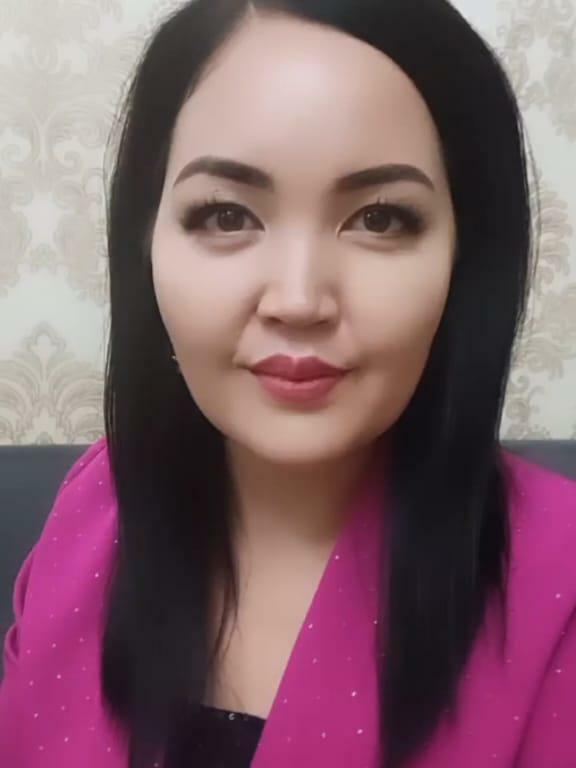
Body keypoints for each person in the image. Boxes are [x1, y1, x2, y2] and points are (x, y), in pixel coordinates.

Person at [1, 0, 575, 766]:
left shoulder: (560, 583)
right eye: (225, 215)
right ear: (146, 242)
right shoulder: (92, 509)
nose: (299, 300)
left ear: (465, 260)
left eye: (380, 219)